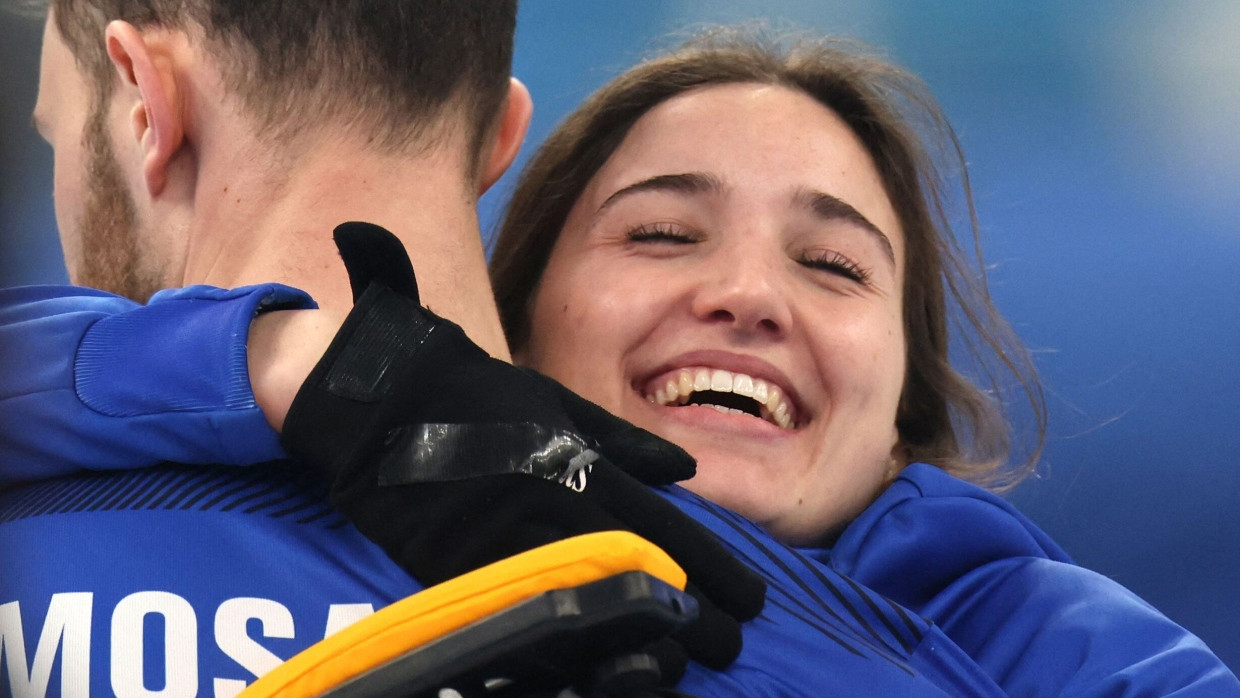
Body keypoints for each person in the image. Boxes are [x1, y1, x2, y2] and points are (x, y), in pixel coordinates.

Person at [3, 20, 1237, 698]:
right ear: (521, 328)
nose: (746, 293)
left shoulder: (1011, 639)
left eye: (836, 266)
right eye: (658, 232)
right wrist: (289, 364)